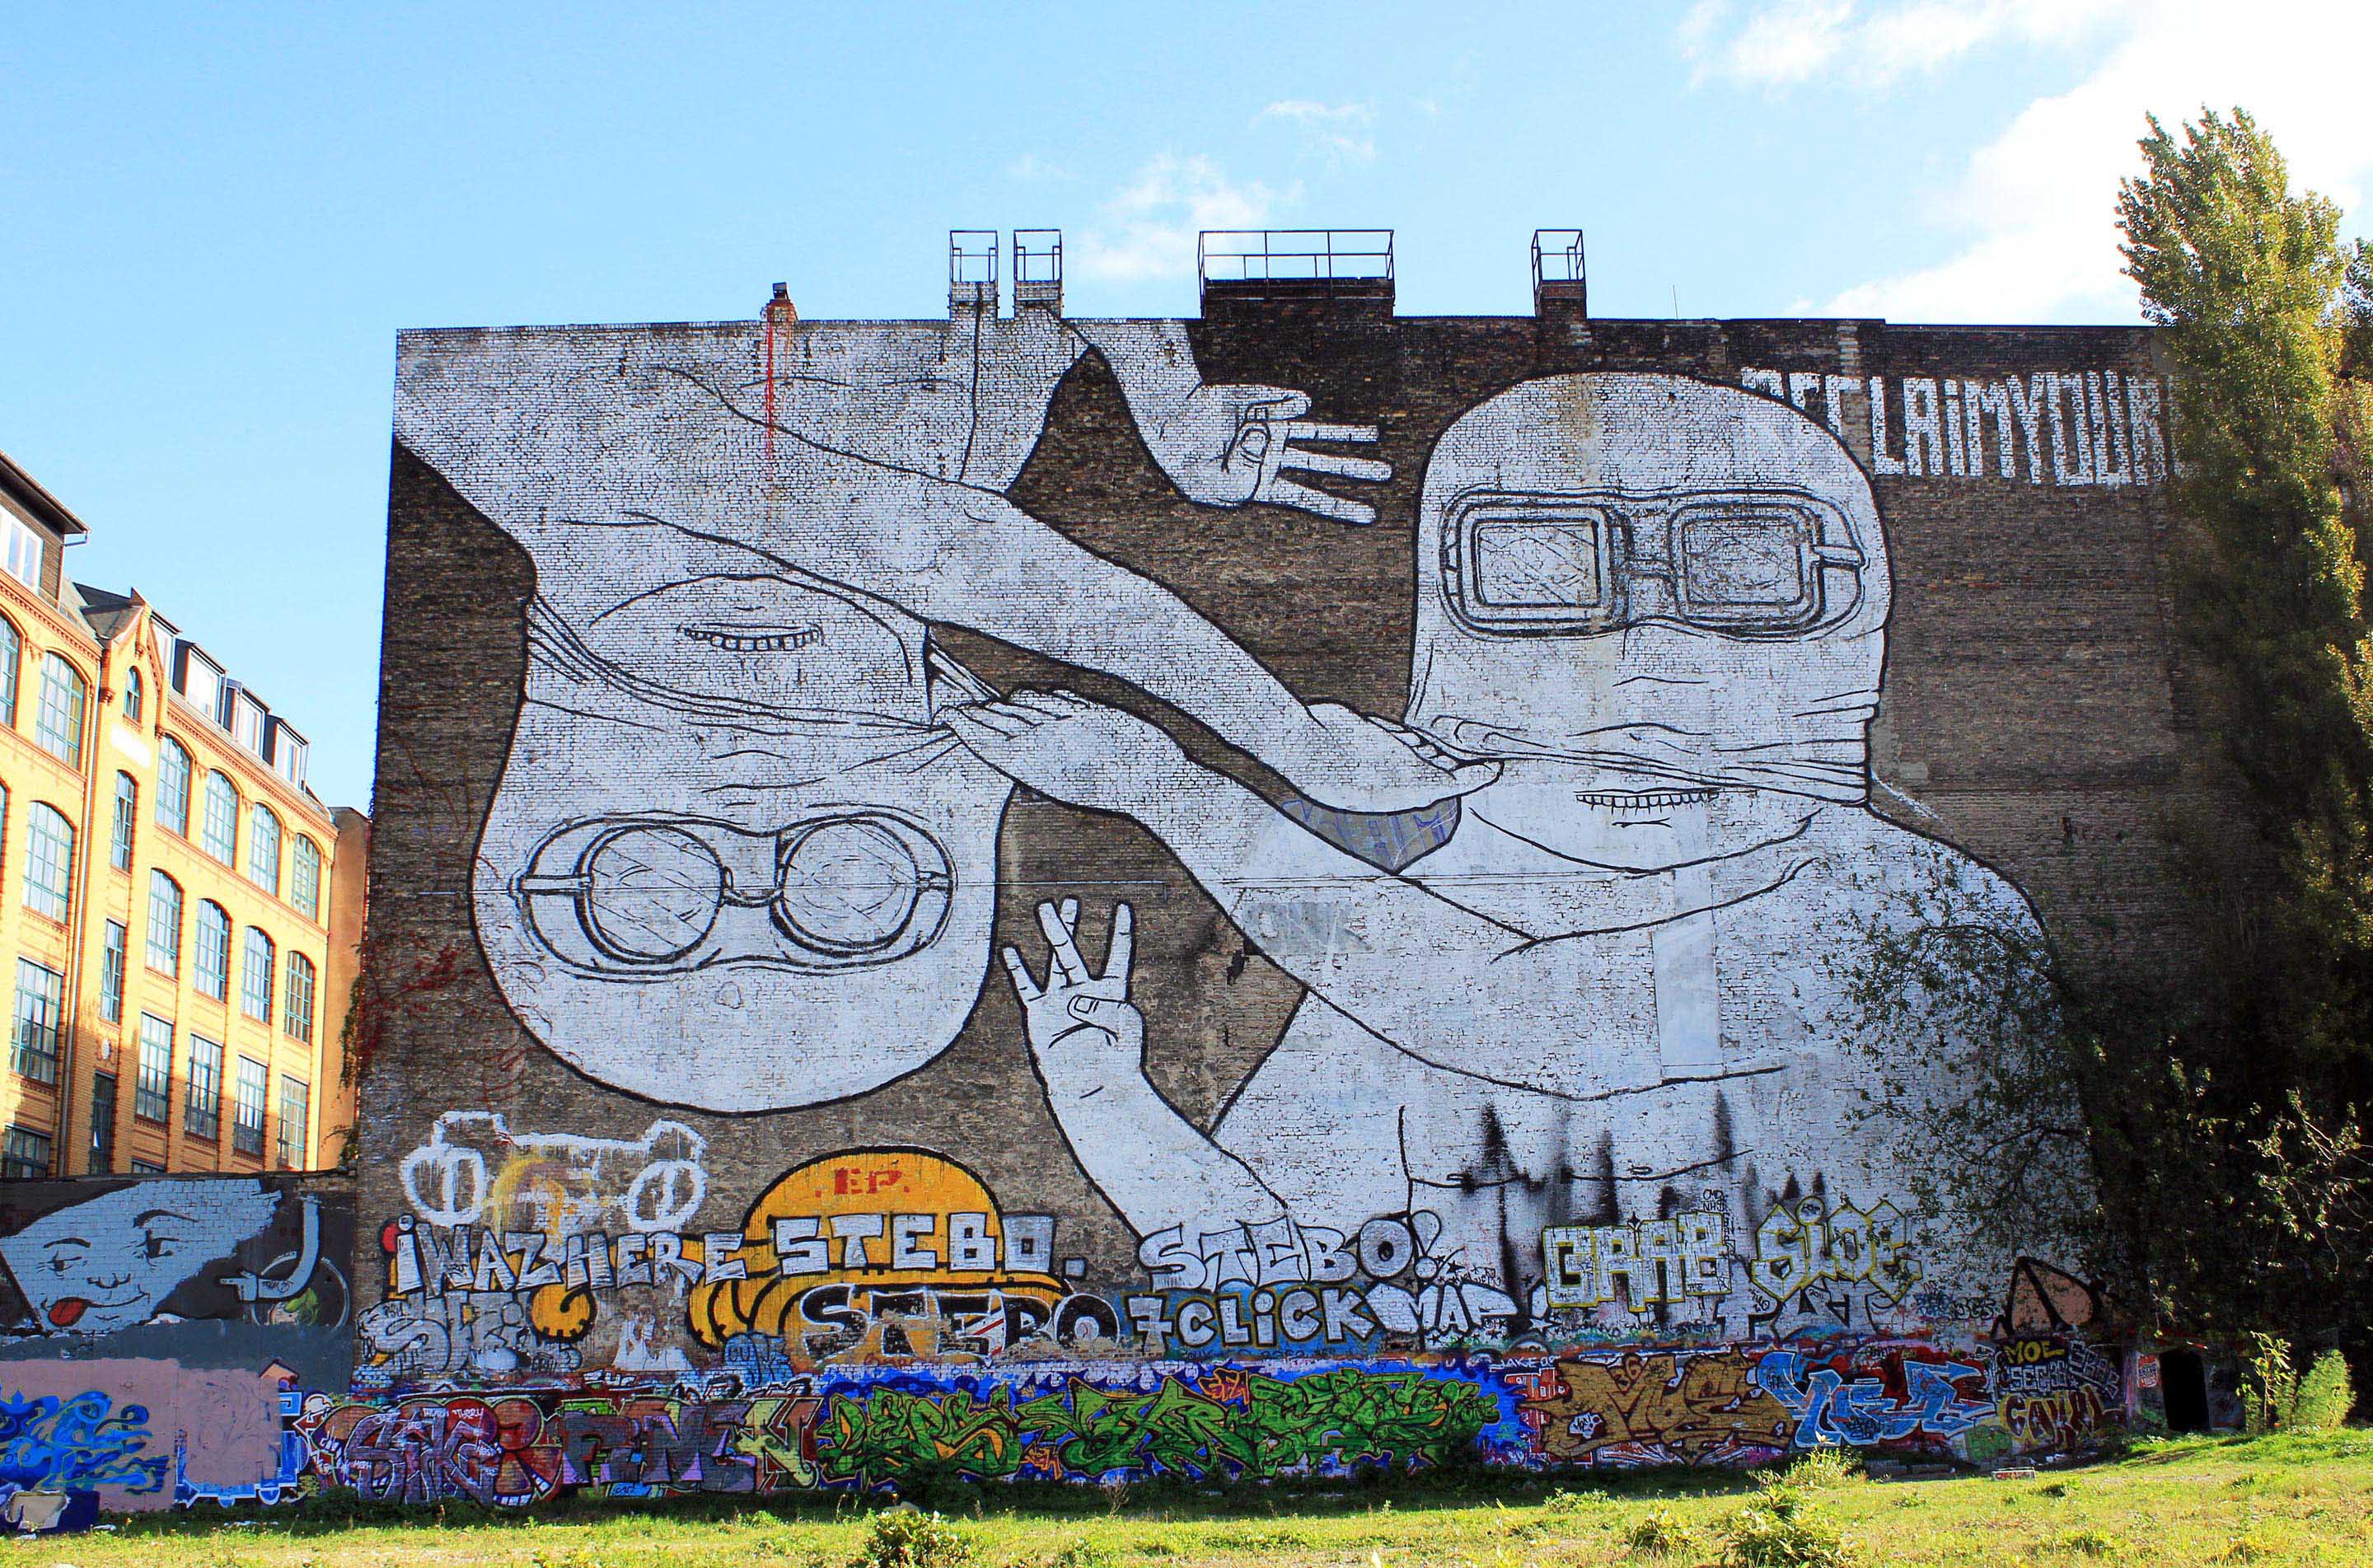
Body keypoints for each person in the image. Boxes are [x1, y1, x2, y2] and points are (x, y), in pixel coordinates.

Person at [964, 373, 2048, 1341]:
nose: (1645, 658)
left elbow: (1535, 1013)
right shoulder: (1407, 939)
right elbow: (1281, 1261)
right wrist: (1108, 1098)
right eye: (1539, 568)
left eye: (1749, 567)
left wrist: (1166, 787)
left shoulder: (1923, 909)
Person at [393, 291, 1493, 1111]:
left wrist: (1295, 743)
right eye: (852, 886)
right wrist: (1158, 379)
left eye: (639, 894)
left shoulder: (484, 418)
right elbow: (1054, 270)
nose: (750, 813)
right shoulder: (981, 446)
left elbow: (941, 550)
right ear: (963, 818)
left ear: (523, 835)